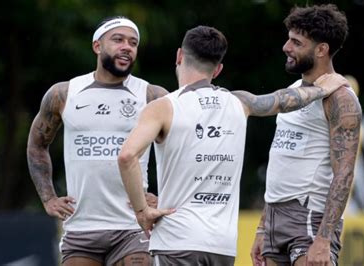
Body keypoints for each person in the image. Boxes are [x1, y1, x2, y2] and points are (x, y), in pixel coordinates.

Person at [118, 25, 348, 265]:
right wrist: (324, 88)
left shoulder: (163, 107)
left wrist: (142, 211)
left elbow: (127, 156)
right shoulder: (241, 103)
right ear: (218, 70)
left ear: (179, 56)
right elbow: (283, 100)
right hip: (222, 247)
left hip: (177, 241)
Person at [27, 16, 168, 266]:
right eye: (118, 39)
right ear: (97, 46)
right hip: (81, 228)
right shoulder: (64, 93)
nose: (127, 46)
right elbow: (37, 145)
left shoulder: (152, 96)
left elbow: (183, 150)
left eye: (133, 43)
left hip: (133, 227)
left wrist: (167, 195)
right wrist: (48, 197)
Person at [250, 4, 362, 266]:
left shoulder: (340, 99)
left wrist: (323, 240)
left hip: (309, 218)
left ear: (321, 49)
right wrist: (262, 227)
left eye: (296, 42)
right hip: (275, 220)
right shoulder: (292, 90)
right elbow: (282, 164)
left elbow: (344, 173)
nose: (286, 48)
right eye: (288, 39)